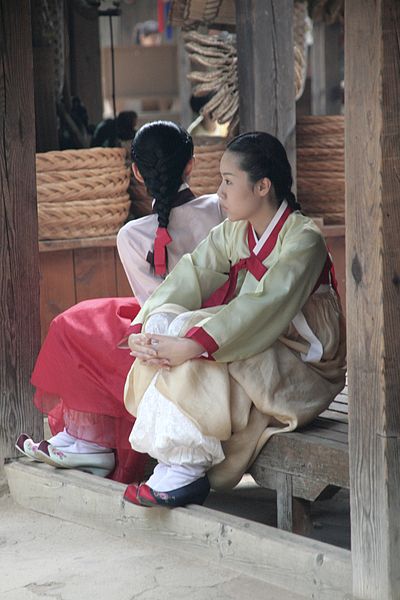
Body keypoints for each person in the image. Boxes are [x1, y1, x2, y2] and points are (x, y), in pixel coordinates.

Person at [123, 131, 346, 508]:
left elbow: (262, 306)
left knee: (196, 346)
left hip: (305, 362)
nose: (219, 191)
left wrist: (194, 343)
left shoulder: (303, 239)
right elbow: (190, 274)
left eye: (228, 181)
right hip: (261, 340)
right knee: (170, 326)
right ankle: (175, 462)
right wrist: (147, 327)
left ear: (262, 186)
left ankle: (186, 466)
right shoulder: (235, 230)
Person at [16, 121, 224, 483]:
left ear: (136, 173)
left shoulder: (132, 234)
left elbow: (153, 305)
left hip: (169, 329)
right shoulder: (220, 210)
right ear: (191, 164)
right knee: (85, 322)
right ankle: (83, 439)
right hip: (215, 322)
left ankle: (88, 439)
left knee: (74, 326)